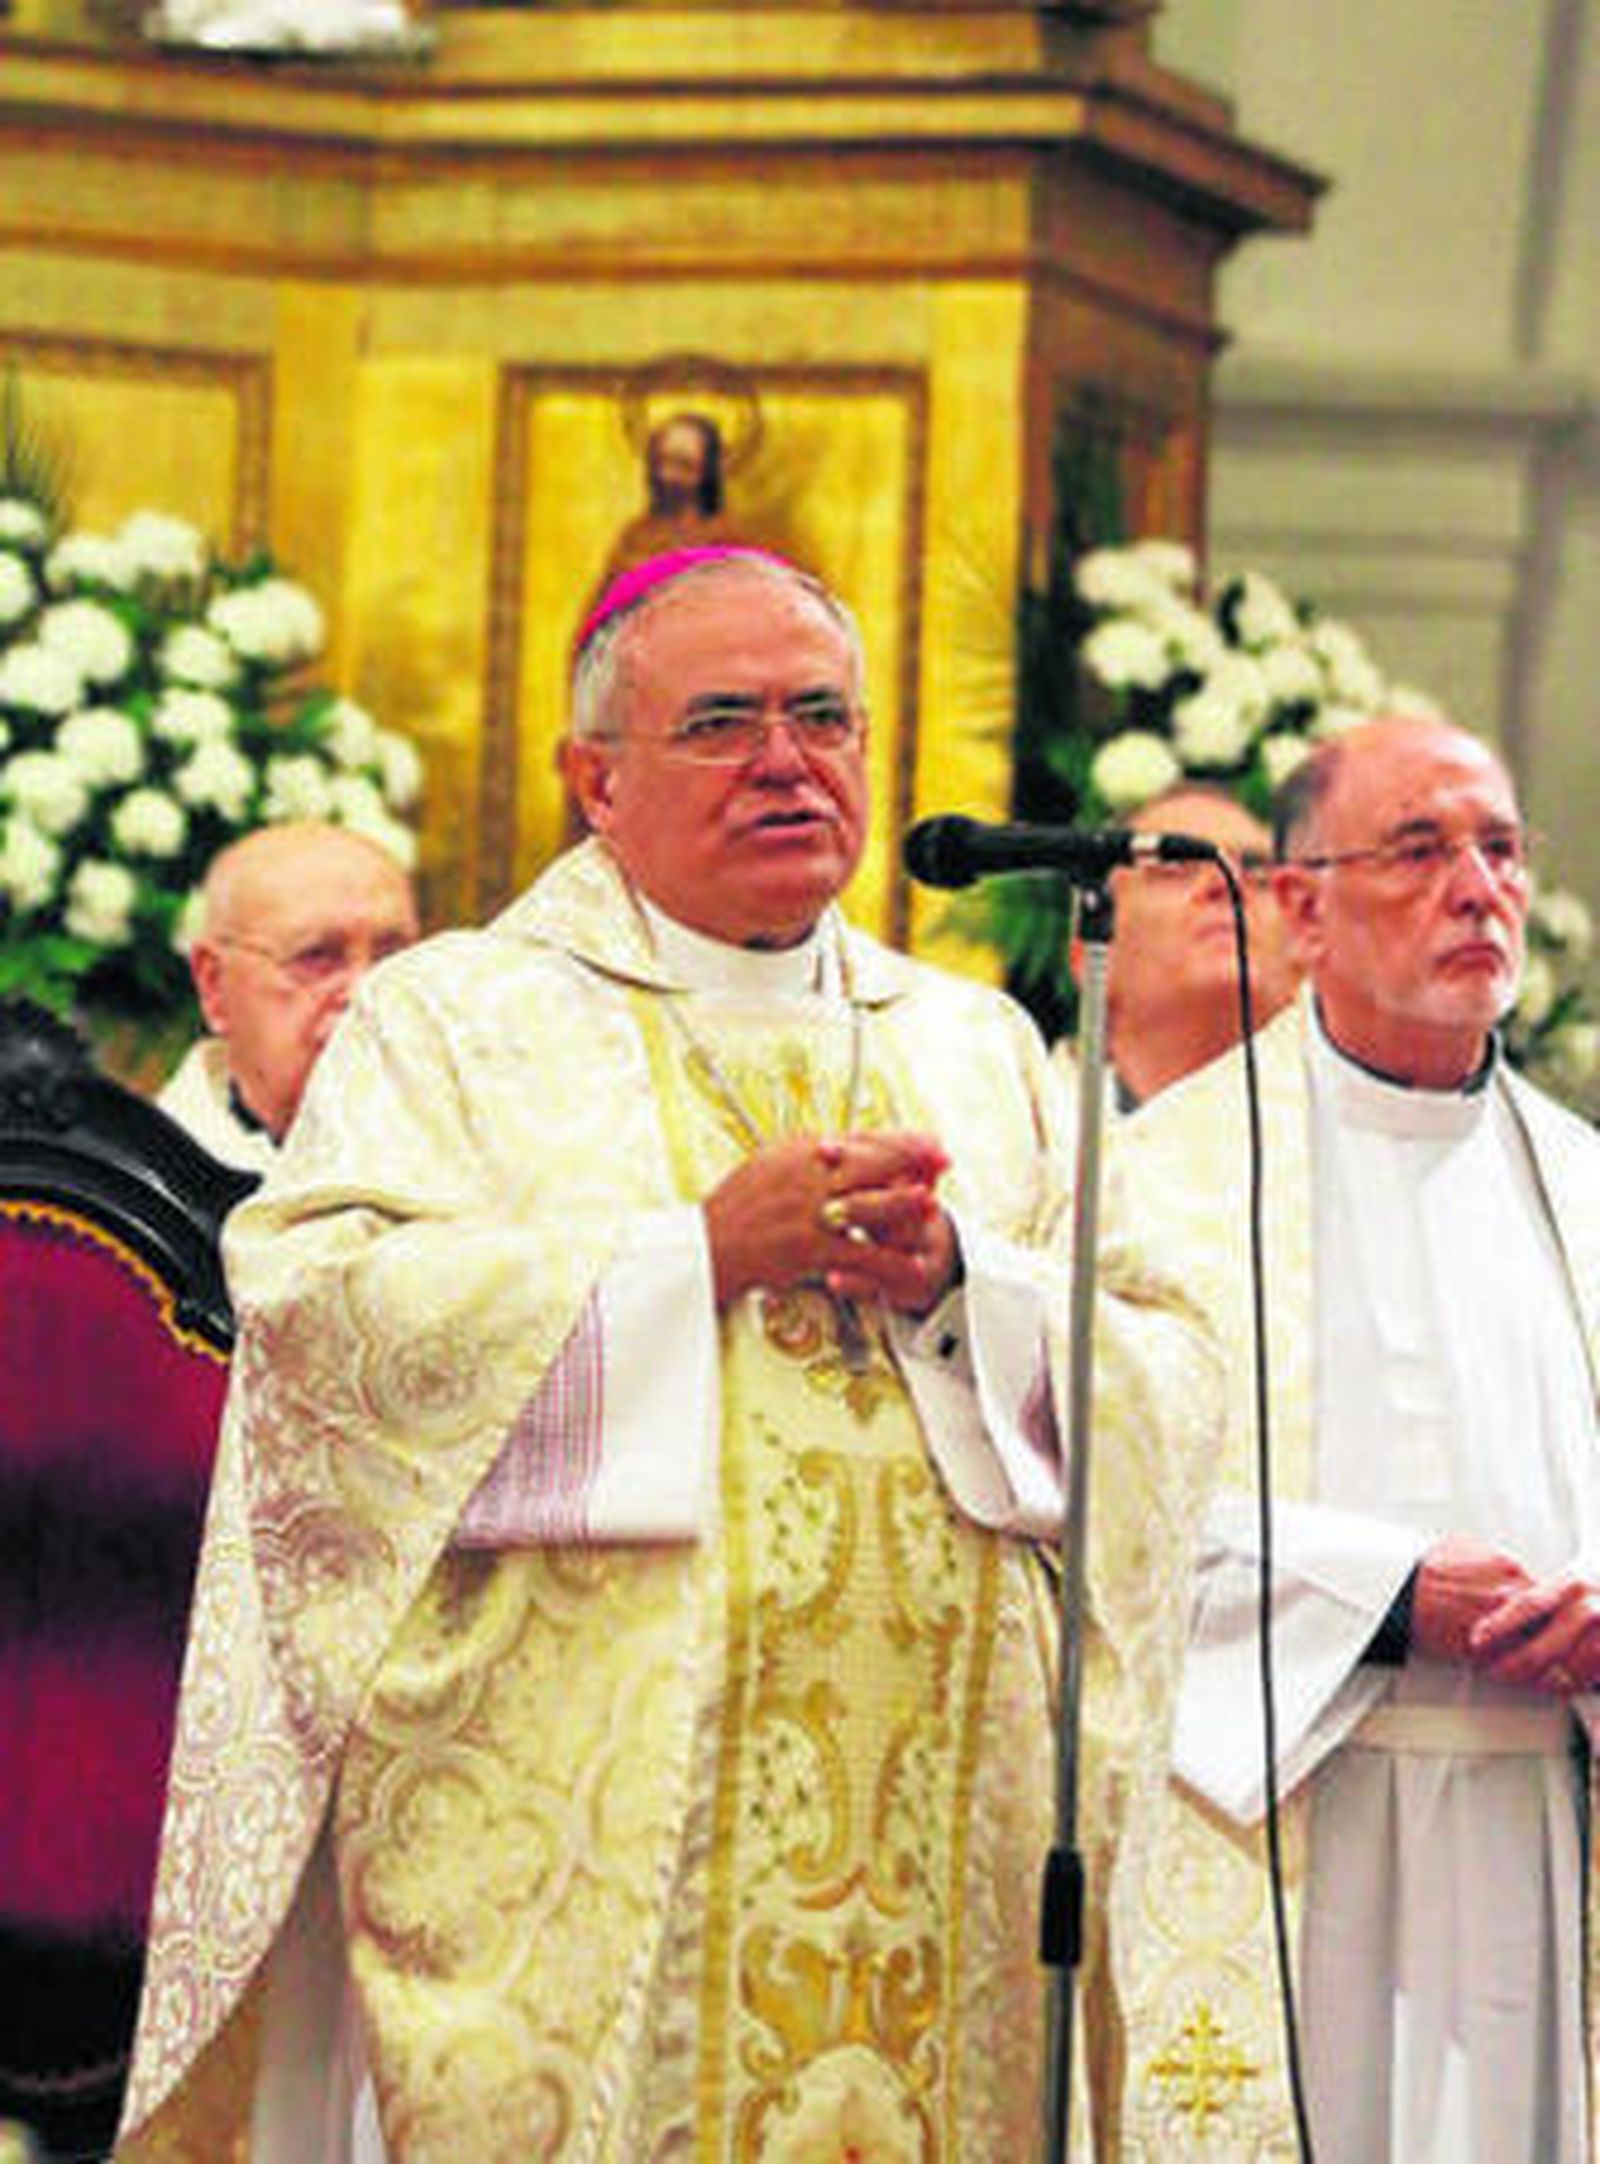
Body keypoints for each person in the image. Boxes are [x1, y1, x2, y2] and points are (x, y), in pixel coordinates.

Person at [117, 547, 1216, 2163]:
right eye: (724, 720)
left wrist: (962, 1281)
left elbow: (1171, 1378)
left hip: (949, 1853)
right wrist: (693, 1252)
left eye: (824, 715)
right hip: (592, 1848)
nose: (790, 758)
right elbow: (319, 1324)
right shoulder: (457, 1019)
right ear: (596, 778)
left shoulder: (972, 1040)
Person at [1112, 713, 1600, 2161]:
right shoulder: (1152, 1188)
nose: (1479, 888)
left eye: (1502, 849)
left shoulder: (1587, 1186)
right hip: (1284, 1820)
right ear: (1302, 907)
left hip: (1542, 1827)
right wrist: (1385, 1595)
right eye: (1422, 848)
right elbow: (1092, 1517)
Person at [157, 822, 420, 1171]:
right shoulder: (140, 1189)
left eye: (392, 955)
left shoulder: (470, 1154)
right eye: (318, 955)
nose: (364, 992)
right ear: (214, 985)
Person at [1056, 783, 1302, 1112]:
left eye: (1258, 873)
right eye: (1175, 869)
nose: (1225, 883)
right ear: (1093, 959)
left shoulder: (1362, 1138)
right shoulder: (1011, 1134)